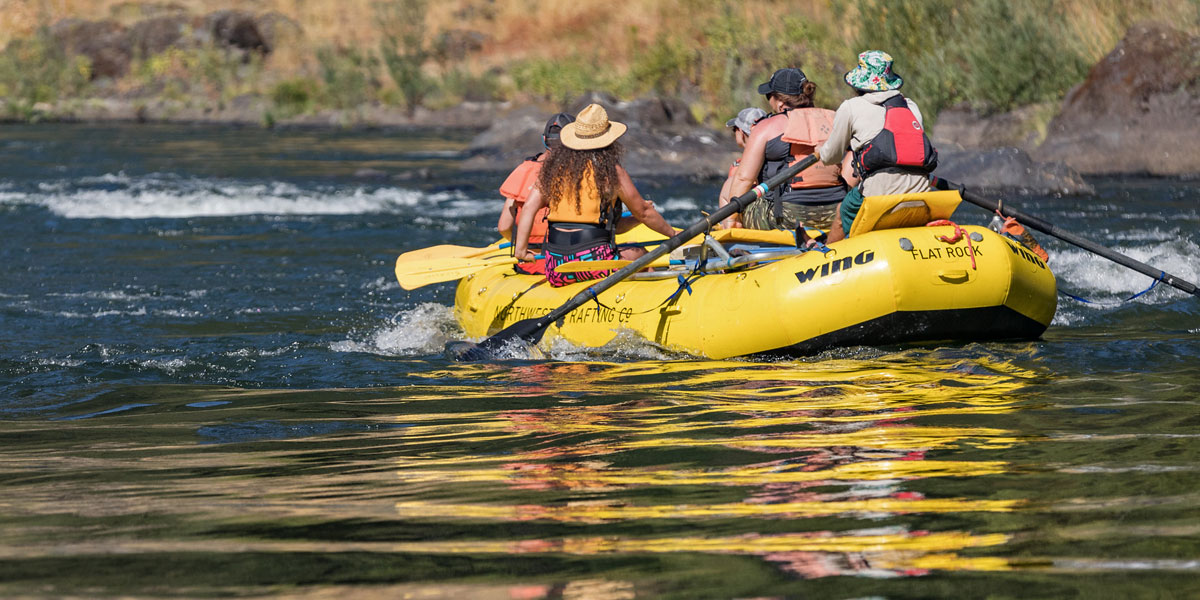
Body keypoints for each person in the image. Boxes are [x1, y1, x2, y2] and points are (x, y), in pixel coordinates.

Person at [514, 103, 676, 287]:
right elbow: (644, 212)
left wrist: (521, 250)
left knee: (626, 248)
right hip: (595, 266)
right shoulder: (611, 171)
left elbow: (529, 208)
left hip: (556, 269)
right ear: (608, 141)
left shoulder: (553, 171)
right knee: (639, 253)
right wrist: (673, 234)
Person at [816, 51, 937, 242]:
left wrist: (820, 150)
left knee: (844, 210)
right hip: (922, 191)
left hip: (879, 192)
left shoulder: (851, 107)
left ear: (858, 83)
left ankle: (826, 257)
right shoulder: (911, 106)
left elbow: (830, 156)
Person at [727, 67, 849, 232]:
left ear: (779, 101)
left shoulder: (767, 126)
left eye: (769, 96)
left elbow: (743, 179)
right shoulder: (834, 118)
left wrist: (732, 218)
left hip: (787, 218)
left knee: (730, 187)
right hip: (837, 211)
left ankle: (730, 235)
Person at [497, 112, 574, 275]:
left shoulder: (523, 170)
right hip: (564, 260)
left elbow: (504, 226)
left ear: (544, 140)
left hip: (530, 260)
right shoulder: (578, 173)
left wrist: (521, 246)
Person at [716, 107, 766, 229]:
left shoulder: (741, 165)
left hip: (763, 212)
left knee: (730, 184)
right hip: (781, 205)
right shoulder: (776, 150)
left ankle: (730, 227)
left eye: (735, 130)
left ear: (742, 133)